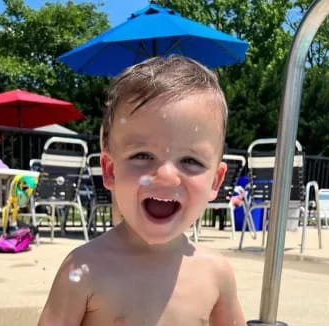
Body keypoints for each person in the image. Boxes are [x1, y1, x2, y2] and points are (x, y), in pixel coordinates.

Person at [38, 55, 246, 326]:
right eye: (143, 155)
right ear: (111, 170)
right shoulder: (84, 268)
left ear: (215, 182)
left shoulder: (216, 274)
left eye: (191, 161)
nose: (167, 176)